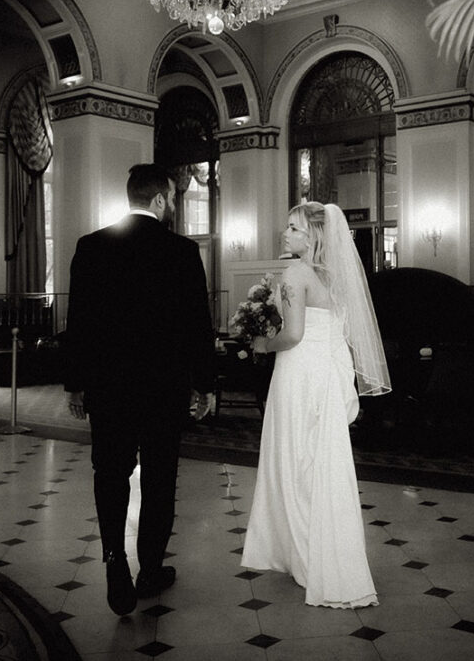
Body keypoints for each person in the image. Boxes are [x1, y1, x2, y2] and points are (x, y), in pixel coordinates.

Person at [63, 163, 216, 616]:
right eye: (172, 196)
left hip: (109, 389)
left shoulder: (91, 247)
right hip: (163, 390)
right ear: (161, 199)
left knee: (109, 474)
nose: (173, 203)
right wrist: (205, 385)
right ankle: (150, 569)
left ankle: (114, 560)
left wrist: (75, 384)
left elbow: (79, 324)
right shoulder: (181, 251)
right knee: (159, 478)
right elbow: (197, 327)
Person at [241, 201, 391, 608]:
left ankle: (304, 555)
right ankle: (316, 553)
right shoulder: (336, 275)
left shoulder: (295, 273)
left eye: (293, 228)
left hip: (298, 375)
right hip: (324, 376)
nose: (284, 234)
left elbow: (291, 336)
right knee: (319, 463)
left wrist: (261, 343)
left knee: (293, 461)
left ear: (312, 236)